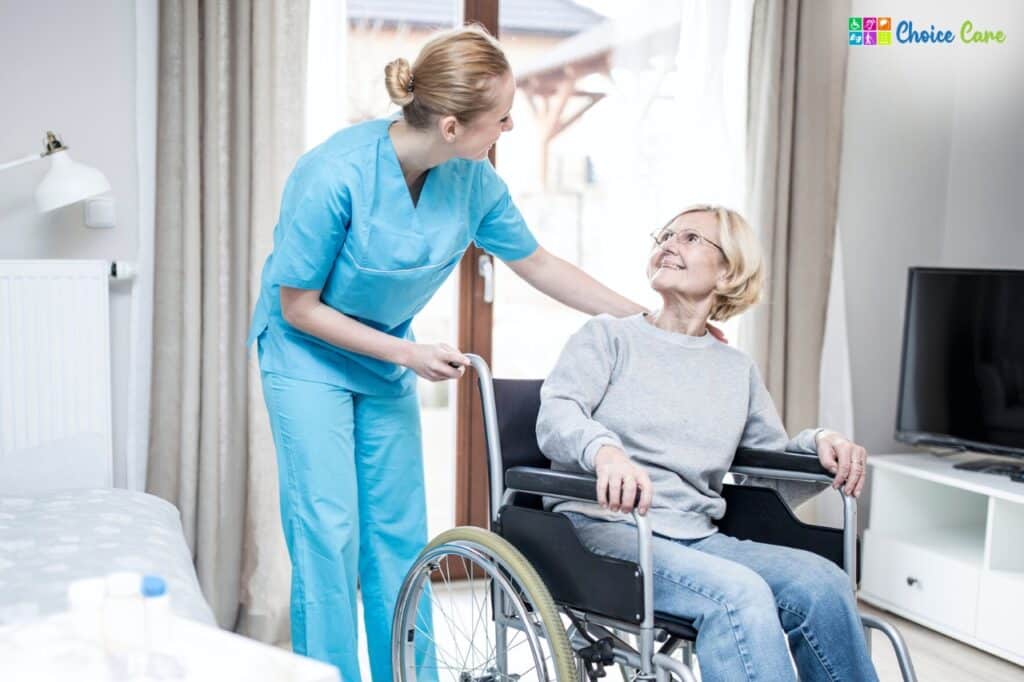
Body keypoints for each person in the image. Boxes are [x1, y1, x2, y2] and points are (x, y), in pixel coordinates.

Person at [247, 25, 649, 681]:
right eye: (502, 117)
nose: (512, 127)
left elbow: (540, 264)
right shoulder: (332, 174)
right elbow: (300, 306)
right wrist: (407, 356)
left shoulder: (472, 180)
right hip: (306, 357)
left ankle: (410, 674)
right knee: (328, 533)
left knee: (400, 537)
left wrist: (644, 317)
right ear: (454, 126)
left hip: (384, 360)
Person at [536, 204, 876, 681]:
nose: (669, 243)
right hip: (604, 529)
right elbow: (557, 413)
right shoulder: (608, 337)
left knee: (823, 583)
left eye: (692, 238)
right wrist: (605, 451)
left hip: (698, 536)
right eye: (666, 234)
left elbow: (769, 475)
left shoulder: (735, 369)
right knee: (740, 594)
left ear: (727, 272)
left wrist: (821, 445)